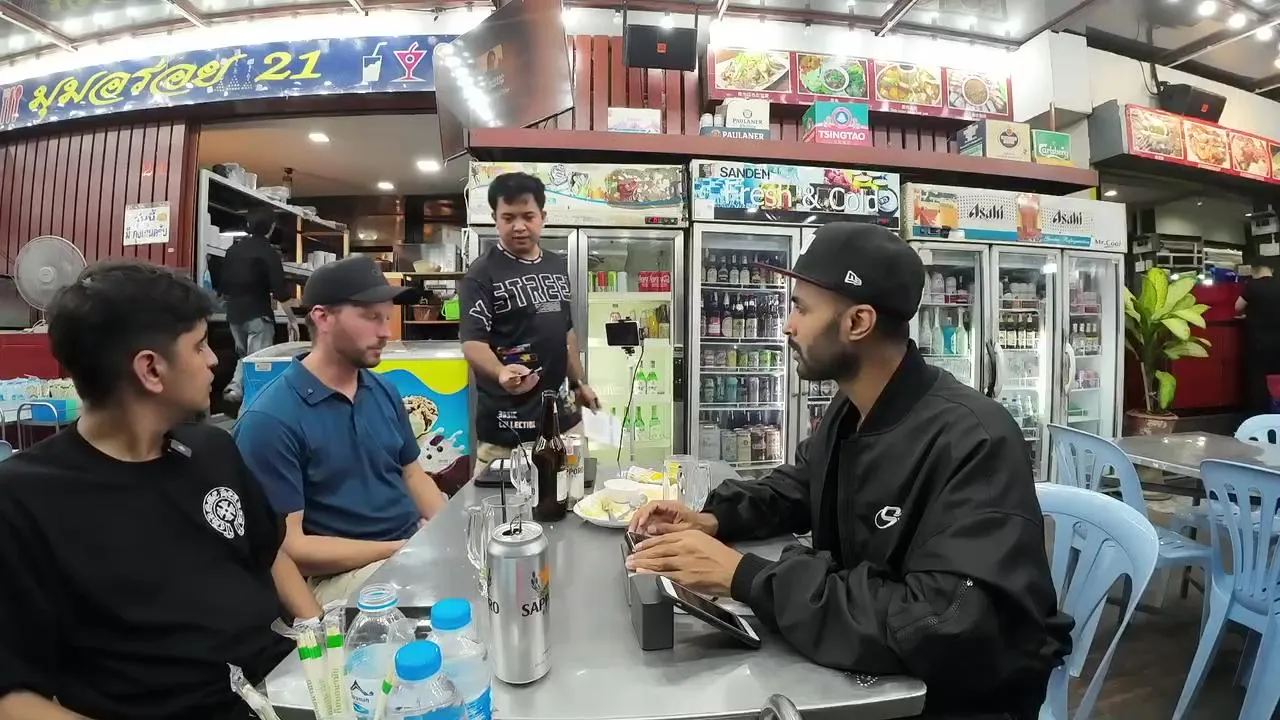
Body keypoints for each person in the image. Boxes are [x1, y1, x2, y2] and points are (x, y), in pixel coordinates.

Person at [627, 223, 1072, 720]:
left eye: (802, 309)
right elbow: (803, 483)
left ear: (858, 322)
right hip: (866, 674)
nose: (788, 326)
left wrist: (745, 577)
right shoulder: (852, 407)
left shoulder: (974, 439)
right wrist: (714, 518)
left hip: (949, 699)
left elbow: (938, 622)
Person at [0, 261, 320, 720]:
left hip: (287, 692)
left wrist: (319, 642)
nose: (213, 361)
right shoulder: (24, 499)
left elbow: (270, 552)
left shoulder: (213, 449)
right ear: (151, 369)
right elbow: (12, 696)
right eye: (200, 345)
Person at [234, 255, 448, 606]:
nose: (386, 332)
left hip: (408, 549)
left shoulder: (382, 390)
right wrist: (401, 549)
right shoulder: (270, 420)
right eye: (371, 317)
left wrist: (447, 534)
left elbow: (412, 473)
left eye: (387, 317)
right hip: (341, 575)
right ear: (322, 317)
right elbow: (291, 549)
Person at [459, 171, 599, 476]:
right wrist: (501, 371)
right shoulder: (481, 274)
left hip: (563, 424)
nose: (519, 226)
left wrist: (580, 383)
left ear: (542, 217)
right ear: (495, 219)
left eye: (528, 216)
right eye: (508, 217)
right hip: (508, 430)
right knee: (504, 504)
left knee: (572, 496)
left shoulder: (555, 264)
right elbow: (472, 343)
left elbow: (565, 332)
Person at [219, 205, 297, 401]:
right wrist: (292, 319)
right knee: (259, 363)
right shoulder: (268, 253)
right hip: (258, 314)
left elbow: (222, 286)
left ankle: (236, 388)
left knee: (245, 357)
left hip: (234, 315)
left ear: (248, 224)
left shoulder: (232, 251)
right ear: (272, 227)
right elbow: (280, 291)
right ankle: (252, 402)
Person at [1237, 257, 1280, 414]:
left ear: (1255, 269)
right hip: (1277, 339)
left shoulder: (1252, 285)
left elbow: (1238, 306)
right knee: (1276, 375)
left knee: (1257, 377)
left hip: (1257, 340)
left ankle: (1258, 414)